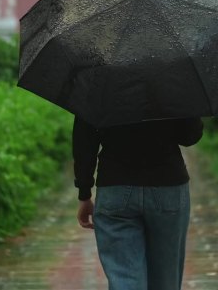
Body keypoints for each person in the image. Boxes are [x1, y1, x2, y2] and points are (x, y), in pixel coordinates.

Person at [73, 116, 204, 290]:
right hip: (167, 185)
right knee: (165, 279)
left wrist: (84, 192)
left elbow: (84, 137)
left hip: (115, 187)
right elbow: (190, 136)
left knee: (124, 278)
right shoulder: (175, 88)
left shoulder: (97, 88)